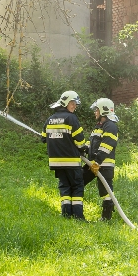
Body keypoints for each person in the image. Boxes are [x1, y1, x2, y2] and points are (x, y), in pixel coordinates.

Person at [41, 90, 88, 219]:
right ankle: (78, 216)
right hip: (71, 161)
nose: (75, 106)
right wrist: (84, 149)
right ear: (65, 103)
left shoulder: (50, 119)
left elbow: (44, 138)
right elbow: (80, 141)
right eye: (73, 103)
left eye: (75, 104)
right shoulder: (71, 118)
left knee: (65, 186)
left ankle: (66, 214)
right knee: (77, 186)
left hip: (56, 162)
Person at [83, 98, 120, 221]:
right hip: (93, 164)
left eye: (97, 109)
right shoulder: (98, 126)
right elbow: (91, 143)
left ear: (104, 110)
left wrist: (97, 162)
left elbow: (106, 146)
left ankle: (106, 218)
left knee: (105, 191)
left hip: (104, 165)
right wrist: (82, 148)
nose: (95, 112)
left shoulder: (110, 126)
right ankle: (75, 210)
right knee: (78, 181)